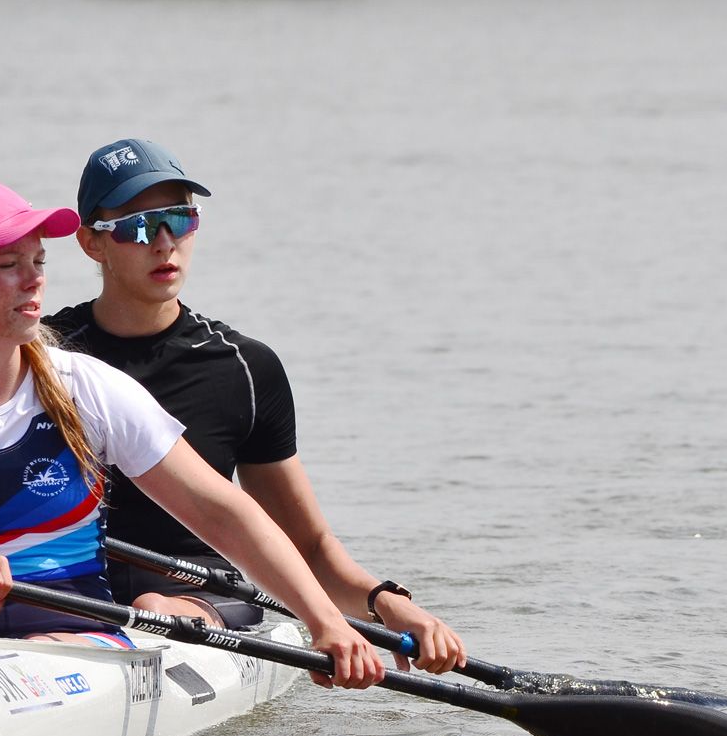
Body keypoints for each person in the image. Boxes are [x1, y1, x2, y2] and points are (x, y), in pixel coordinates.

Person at [0, 179, 383, 688]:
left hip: (85, 646)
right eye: (7, 265)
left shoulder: (88, 388)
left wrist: (325, 622)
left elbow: (223, 514)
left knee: (41, 646)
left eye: (39, 260)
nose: (34, 278)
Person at [45, 139, 466, 674]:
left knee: (153, 608)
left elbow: (307, 544)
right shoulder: (44, 356)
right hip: (71, 586)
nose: (165, 242)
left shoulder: (244, 368)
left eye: (180, 217)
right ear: (91, 243)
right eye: (138, 225)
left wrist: (389, 604)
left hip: (202, 592)